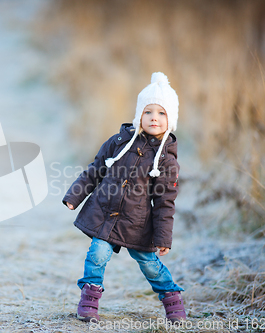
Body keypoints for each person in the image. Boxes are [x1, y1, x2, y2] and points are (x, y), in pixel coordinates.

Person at [62, 72, 186, 323]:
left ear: (170, 119)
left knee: (150, 265)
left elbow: (164, 202)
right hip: (104, 215)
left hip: (137, 224)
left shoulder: (166, 160)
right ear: (139, 114)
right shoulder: (119, 142)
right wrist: (75, 195)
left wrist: (163, 237)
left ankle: (172, 298)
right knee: (97, 253)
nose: (154, 118)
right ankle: (89, 299)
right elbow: (95, 170)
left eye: (162, 113)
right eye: (148, 111)